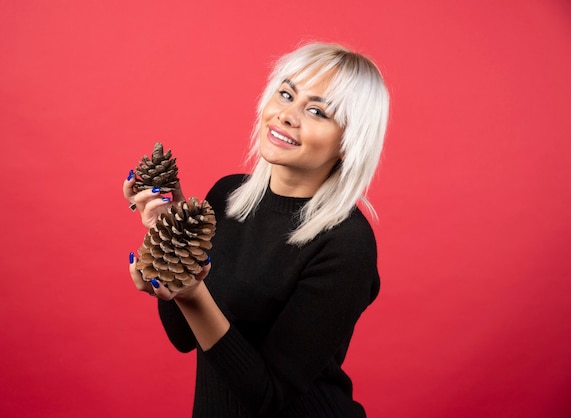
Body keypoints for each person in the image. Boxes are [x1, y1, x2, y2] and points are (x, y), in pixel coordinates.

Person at [123, 42, 390, 418]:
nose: (287, 115)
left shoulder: (347, 244)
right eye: (285, 94)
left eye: (316, 111)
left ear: (348, 143)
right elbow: (183, 338)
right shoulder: (227, 195)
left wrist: (194, 293)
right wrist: (168, 232)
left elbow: (270, 398)